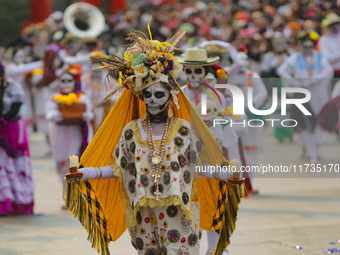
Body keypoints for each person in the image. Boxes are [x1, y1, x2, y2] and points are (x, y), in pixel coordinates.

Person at [63, 28, 246, 255]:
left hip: (180, 215)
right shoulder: (131, 132)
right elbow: (118, 168)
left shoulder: (183, 130)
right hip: (144, 218)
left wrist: (226, 176)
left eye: (159, 95)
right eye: (147, 94)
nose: (152, 100)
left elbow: (197, 168)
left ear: (170, 97)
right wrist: (84, 173)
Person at [278, 31, 333, 164]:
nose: (307, 49)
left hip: (319, 93)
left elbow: (328, 70)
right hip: (303, 94)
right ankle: (311, 153)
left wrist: (315, 79)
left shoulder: (319, 57)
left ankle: (314, 148)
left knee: (320, 122)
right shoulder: (296, 58)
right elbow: (282, 70)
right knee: (307, 123)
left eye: (310, 46)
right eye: (304, 46)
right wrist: (295, 83)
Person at [46, 65, 93, 207]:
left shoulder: (82, 98)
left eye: (69, 81)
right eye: (63, 81)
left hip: (76, 135)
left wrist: (83, 115)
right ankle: (68, 197)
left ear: (75, 83)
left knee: (74, 165)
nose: (66, 84)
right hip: (59, 136)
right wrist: (58, 115)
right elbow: (49, 113)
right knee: (61, 165)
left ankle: (78, 197)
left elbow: (90, 113)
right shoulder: (55, 98)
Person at [0, 61, 34, 215]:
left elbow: (16, 106)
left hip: (12, 129)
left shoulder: (13, 86)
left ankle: (20, 203)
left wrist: (3, 119)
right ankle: (4, 202)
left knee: (16, 163)